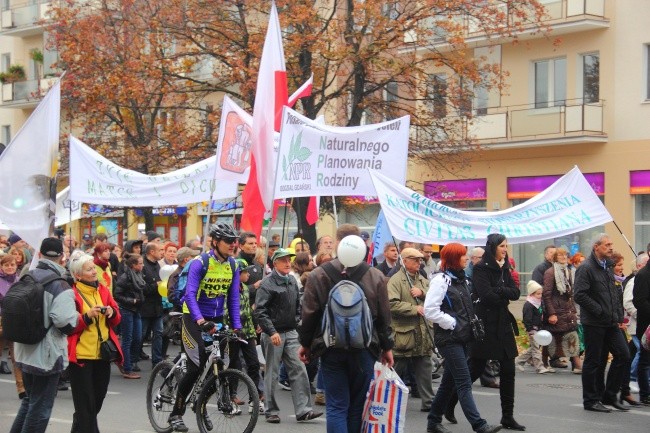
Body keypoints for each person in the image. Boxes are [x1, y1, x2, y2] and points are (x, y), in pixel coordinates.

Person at [299, 224, 394, 433]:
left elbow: (309, 314)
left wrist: (305, 344)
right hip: (365, 348)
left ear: (337, 242)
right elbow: (384, 317)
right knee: (357, 406)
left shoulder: (318, 275)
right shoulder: (375, 275)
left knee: (336, 406)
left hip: (331, 347)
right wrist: (387, 348)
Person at [168, 223, 242, 432]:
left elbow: (234, 297)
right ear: (215, 242)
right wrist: (200, 320)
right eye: (228, 241)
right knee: (196, 364)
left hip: (217, 317)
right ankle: (175, 414)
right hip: (193, 316)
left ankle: (201, 407)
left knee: (222, 364)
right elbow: (190, 295)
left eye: (234, 241)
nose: (233, 244)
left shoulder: (234, 265)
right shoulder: (200, 263)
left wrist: (236, 326)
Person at [446, 233, 525, 431]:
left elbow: (515, 292)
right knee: (475, 368)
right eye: (502, 246)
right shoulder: (481, 267)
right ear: (492, 247)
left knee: (508, 370)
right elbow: (486, 295)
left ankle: (508, 416)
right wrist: (501, 291)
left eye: (506, 246)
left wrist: (500, 291)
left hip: (503, 324)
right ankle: (449, 403)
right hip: (485, 325)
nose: (505, 249)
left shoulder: (506, 266)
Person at [424, 243, 502, 433]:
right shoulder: (441, 280)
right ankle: (479, 425)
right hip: (449, 339)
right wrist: (450, 322)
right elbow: (429, 310)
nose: (466, 258)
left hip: (462, 338)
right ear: (453, 258)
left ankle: (433, 422)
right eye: (462, 256)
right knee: (464, 382)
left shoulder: (461, 280)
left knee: (447, 383)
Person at [10, 237, 79, 433]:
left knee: (29, 402)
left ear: (39, 254)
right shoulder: (60, 284)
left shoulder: (27, 275)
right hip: (46, 355)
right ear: (62, 257)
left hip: (24, 349)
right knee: (41, 408)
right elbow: (65, 322)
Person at [255, 248, 322, 424]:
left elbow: (298, 305)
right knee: (273, 372)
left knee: (299, 369)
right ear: (274, 263)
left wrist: (297, 323)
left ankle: (304, 410)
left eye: (288, 260)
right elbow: (260, 311)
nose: (287, 263)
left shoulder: (292, 280)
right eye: (283, 260)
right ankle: (271, 410)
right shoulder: (267, 284)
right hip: (273, 333)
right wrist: (271, 331)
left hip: (291, 331)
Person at [574, 234, 630, 412]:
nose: (611, 247)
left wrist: (618, 316)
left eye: (611, 244)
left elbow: (613, 293)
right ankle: (590, 400)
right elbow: (580, 295)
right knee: (594, 361)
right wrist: (599, 310)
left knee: (623, 355)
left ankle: (609, 395)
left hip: (611, 322)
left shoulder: (607, 267)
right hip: (594, 322)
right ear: (596, 247)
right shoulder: (586, 268)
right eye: (607, 244)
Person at [67, 253, 122, 432]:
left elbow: (116, 317)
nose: (94, 273)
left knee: (95, 404)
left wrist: (111, 313)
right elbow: (68, 326)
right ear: (77, 275)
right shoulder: (71, 294)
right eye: (89, 270)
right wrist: (87, 317)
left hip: (103, 354)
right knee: (85, 408)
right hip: (81, 357)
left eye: (93, 269)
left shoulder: (103, 290)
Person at [387, 247, 434, 412]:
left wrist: (422, 293)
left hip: (422, 331)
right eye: (414, 259)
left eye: (420, 260)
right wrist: (414, 309)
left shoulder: (422, 279)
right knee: (397, 370)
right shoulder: (395, 280)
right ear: (404, 261)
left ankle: (428, 402)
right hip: (404, 333)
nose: (418, 262)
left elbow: (434, 297)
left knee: (425, 368)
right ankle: (388, 401)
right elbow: (391, 304)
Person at [541, 248, 581, 373]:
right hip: (556, 311)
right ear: (555, 257)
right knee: (551, 338)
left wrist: (573, 309)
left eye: (565, 255)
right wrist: (552, 313)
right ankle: (544, 362)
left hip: (568, 311)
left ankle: (576, 365)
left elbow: (571, 293)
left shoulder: (568, 271)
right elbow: (546, 295)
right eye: (560, 255)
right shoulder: (550, 272)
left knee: (573, 335)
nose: (564, 257)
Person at [113, 253, 146, 379]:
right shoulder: (125, 277)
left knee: (138, 337)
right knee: (127, 339)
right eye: (140, 263)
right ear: (133, 265)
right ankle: (127, 368)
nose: (142, 265)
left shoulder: (139, 275)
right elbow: (118, 295)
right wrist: (131, 301)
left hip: (136, 310)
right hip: (127, 309)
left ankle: (129, 362)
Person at [623, 252, 649, 404]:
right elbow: (635, 302)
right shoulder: (641, 276)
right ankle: (642, 389)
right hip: (644, 324)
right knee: (643, 357)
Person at [515, 281, 548, 374]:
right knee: (536, 349)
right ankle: (539, 367)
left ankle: (519, 361)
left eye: (541, 293)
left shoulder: (540, 303)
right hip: (532, 329)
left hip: (539, 328)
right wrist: (529, 329)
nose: (540, 296)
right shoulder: (529, 305)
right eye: (538, 294)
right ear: (532, 294)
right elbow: (527, 318)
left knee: (534, 348)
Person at [140, 242, 164, 367]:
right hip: (146, 306)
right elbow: (142, 287)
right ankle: (133, 359)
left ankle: (157, 360)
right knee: (141, 334)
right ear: (152, 252)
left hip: (157, 305)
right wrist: (156, 285)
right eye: (160, 250)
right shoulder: (143, 265)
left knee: (158, 333)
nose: (162, 253)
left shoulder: (158, 265)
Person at [633, 242, 650, 405]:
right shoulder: (643, 274)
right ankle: (645, 394)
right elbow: (639, 301)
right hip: (647, 326)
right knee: (645, 361)